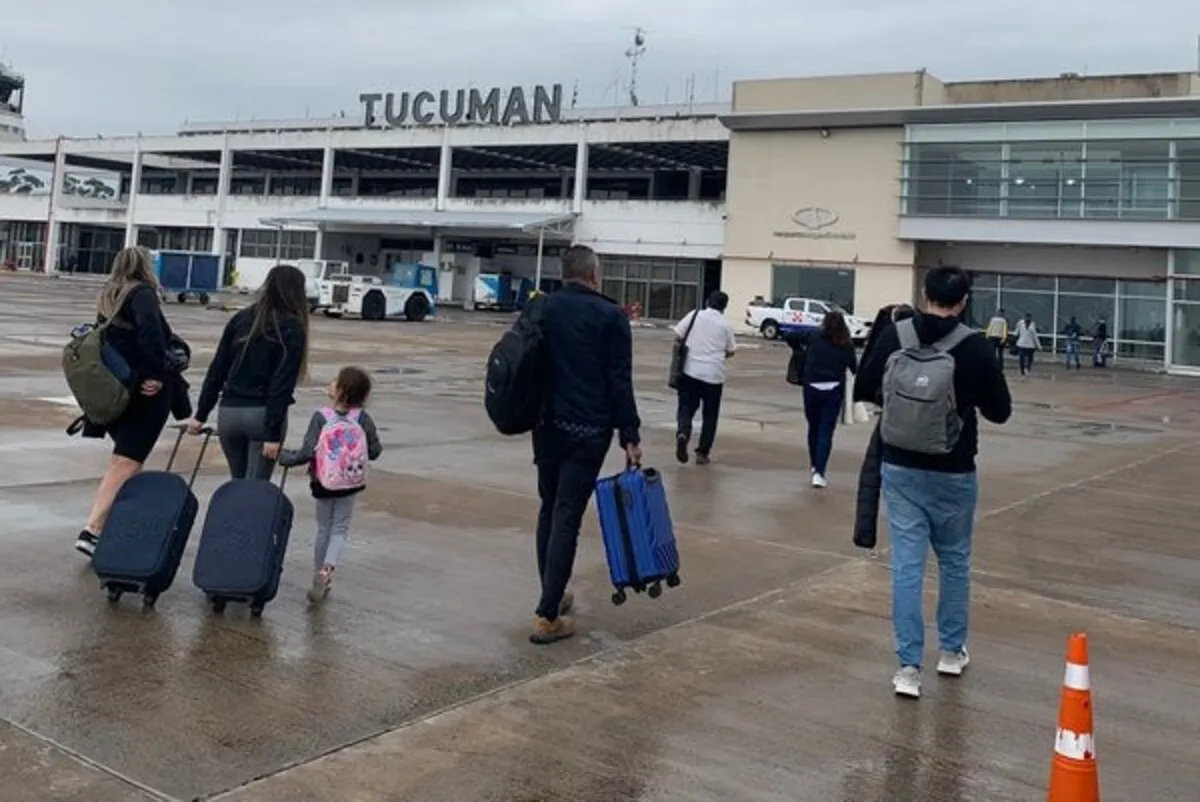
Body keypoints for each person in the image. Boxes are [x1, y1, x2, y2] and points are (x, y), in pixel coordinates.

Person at [856, 266, 1012, 699]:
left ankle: (907, 668)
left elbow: (866, 387)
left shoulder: (895, 335)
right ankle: (950, 650)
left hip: (900, 466)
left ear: (924, 294)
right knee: (955, 561)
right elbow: (1001, 411)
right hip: (954, 470)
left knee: (907, 566)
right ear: (963, 301)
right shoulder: (976, 347)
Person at [530, 244, 641, 645]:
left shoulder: (543, 308)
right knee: (567, 515)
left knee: (549, 507)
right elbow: (619, 380)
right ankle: (546, 614)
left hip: (545, 426)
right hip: (588, 431)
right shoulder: (610, 316)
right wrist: (630, 434)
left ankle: (553, 595)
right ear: (594, 274)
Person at [76, 247, 185, 558]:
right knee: (127, 463)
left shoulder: (109, 296)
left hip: (116, 392)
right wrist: (157, 375)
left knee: (124, 462)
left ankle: (117, 528)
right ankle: (92, 529)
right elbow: (152, 338)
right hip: (144, 394)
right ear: (145, 267)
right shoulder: (141, 294)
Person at [186, 264, 309, 480]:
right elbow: (281, 385)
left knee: (238, 482)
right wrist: (273, 434)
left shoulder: (240, 319)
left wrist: (201, 414)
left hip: (229, 413)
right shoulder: (292, 327)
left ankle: (230, 514)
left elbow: (217, 369)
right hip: (260, 415)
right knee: (255, 489)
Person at [278, 366, 383, 604]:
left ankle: (318, 572)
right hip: (350, 481)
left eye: (335, 380)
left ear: (340, 390)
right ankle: (327, 570)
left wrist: (284, 457)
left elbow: (306, 451)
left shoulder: (321, 417)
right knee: (340, 528)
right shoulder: (363, 419)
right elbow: (375, 451)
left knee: (324, 527)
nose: (331, 382)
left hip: (323, 481)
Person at [852, 303, 913, 550]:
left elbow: (867, 377)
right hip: (929, 425)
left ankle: (865, 531)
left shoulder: (890, 337)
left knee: (871, 475)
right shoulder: (947, 340)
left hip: (893, 415)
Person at [673, 290, 737, 465]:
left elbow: (678, 334)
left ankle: (683, 432)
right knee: (710, 415)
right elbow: (731, 350)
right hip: (714, 375)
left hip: (690, 370)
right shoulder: (726, 325)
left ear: (708, 301)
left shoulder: (695, 315)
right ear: (724, 307)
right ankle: (702, 452)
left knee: (686, 407)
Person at [801, 310, 858, 489]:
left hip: (811, 386)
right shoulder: (846, 343)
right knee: (826, 431)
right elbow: (854, 367)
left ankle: (813, 464)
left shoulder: (815, 337)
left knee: (813, 427)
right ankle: (820, 471)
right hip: (833, 389)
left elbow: (791, 336)